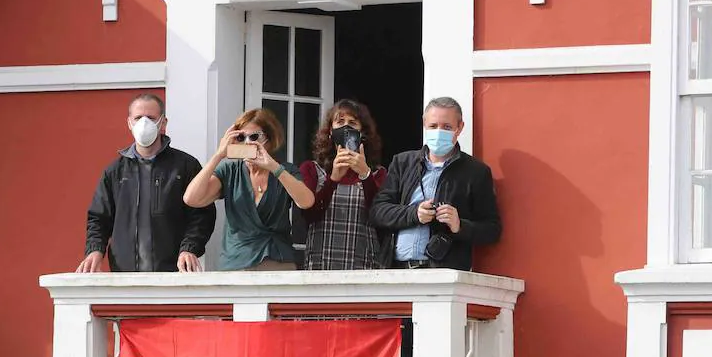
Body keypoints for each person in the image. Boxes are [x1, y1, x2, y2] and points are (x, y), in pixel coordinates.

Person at [80, 93, 216, 273]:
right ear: (129, 123)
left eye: (151, 118)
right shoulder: (114, 172)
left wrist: (189, 248)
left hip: (174, 273)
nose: (144, 123)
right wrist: (95, 250)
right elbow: (98, 218)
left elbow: (202, 215)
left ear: (163, 123)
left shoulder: (185, 167)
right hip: (125, 274)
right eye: (138, 118)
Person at [370, 96, 501, 270]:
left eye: (446, 127)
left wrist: (459, 225)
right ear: (424, 124)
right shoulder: (403, 162)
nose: (439, 132)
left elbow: (491, 229)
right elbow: (378, 212)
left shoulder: (476, 172)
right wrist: (414, 214)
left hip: (442, 274)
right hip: (396, 270)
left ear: (459, 128)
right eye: (433, 126)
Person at [182, 107, 316, 271]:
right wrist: (218, 155)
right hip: (236, 262)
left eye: (254, 137)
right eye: (241, 137)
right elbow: (192, 199)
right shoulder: (230, 170)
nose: (247, 142)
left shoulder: (284, 170)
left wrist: (274, 167)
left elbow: (306, 201)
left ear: (269, 138)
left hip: (276, 260)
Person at [299, 99, 388, 270]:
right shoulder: (311, 169)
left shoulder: (378, 174)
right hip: (321, 265)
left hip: (363, 266)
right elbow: (309, 216)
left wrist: (365, 175)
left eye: (353, 123)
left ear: (362, 133)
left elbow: (381, 217)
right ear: (330, 132)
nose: (346, 127)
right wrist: (332, 180)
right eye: (340, 122)